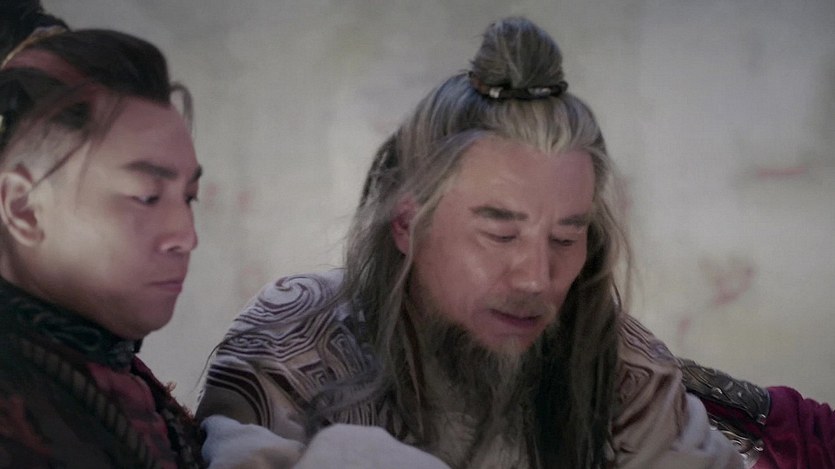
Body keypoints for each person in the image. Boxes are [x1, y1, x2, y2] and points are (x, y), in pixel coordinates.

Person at [196, 17, 746, 468]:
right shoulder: (292, 344)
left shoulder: (621, 369)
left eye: (565, 237)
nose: (536, 278)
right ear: (406, 224)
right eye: (500, 233)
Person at [0, 1, 204, 467]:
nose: (186, 237)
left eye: (188, 197)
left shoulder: (112, 365)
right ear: (23, 207)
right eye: (146, 196)